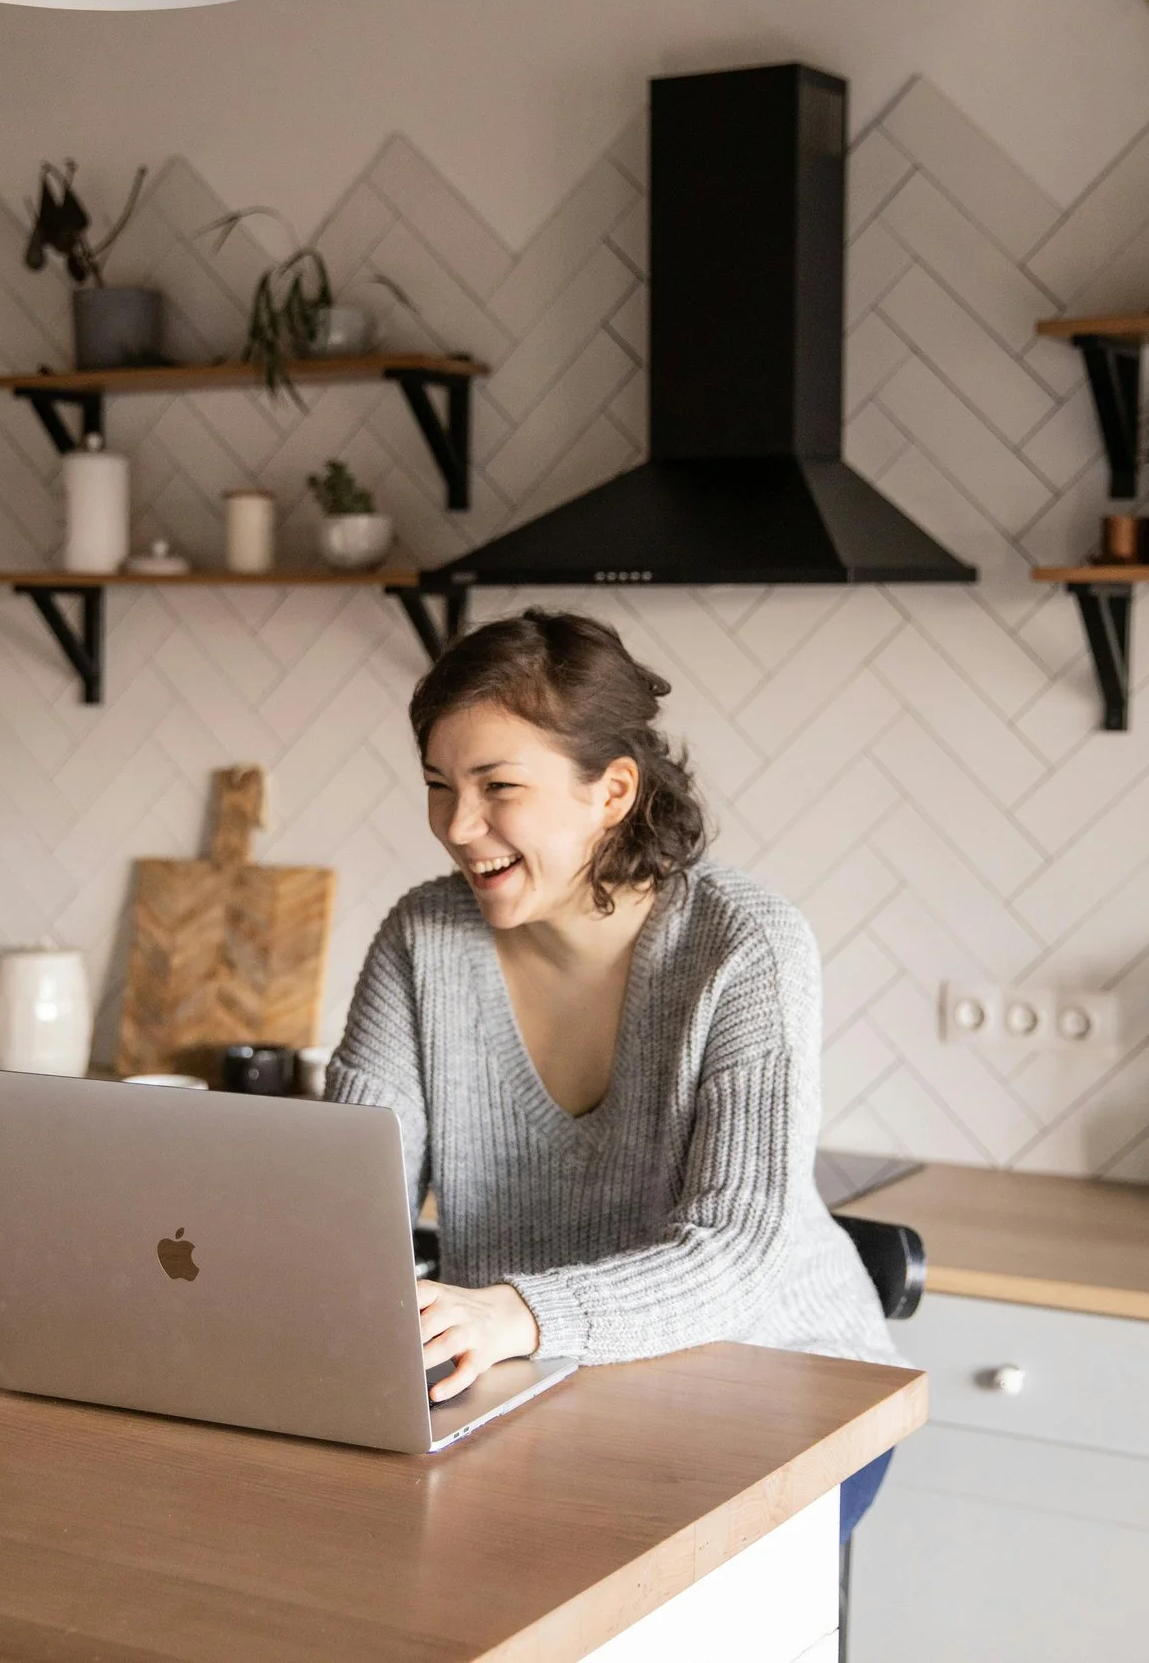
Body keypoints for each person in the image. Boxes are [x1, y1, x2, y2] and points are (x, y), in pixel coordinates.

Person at [324, 608, 902, 1539]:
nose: (458, 827)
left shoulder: (741, 946)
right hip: (531, 1392)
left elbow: (736, 1255)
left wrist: (519, 1311)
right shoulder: (421, 938)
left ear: (613, 790)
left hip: (782, 1392)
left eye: (496, 786)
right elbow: (343, 1207)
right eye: (437, 785)